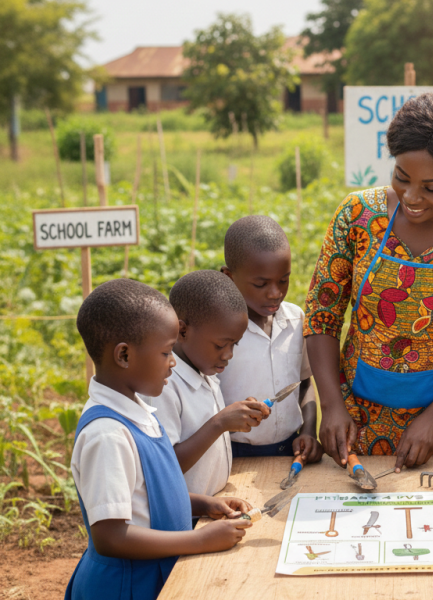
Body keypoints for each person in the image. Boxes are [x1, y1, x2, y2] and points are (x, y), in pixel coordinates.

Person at [304, 93, 433, 470]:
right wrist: (331, 406)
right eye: (402, 178)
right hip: (355, 423)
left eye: (431, 188)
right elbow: (322, 315)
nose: (412, 197)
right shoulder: (358, 214)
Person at [67, 279, 253, 600]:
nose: (172, 362)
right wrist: (200, 540)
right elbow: (110, 536)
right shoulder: (108, 434)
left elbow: (147, 498)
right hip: (123, 586)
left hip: (153, 574)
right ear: (124, 355)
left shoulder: (139, 411)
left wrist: (204, 504)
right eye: (166, 352)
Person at [143, 270, 271, 497]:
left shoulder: (206, 371)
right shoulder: (163, 386)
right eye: (221, 345)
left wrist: (237, 415)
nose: (229, 354)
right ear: (182, 331)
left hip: (214, 504)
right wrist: (220, 423)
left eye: (235, 345)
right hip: (187, 518)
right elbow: (166, 467)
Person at [219, 216, 323, 462]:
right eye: (261, 283)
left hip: (289, 451)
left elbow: (304, 385)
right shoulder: (217, 333)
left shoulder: (295, 320)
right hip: (233, 454)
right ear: (229, 277)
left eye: (283, 280)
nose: (275, 293)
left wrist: (308, 431)